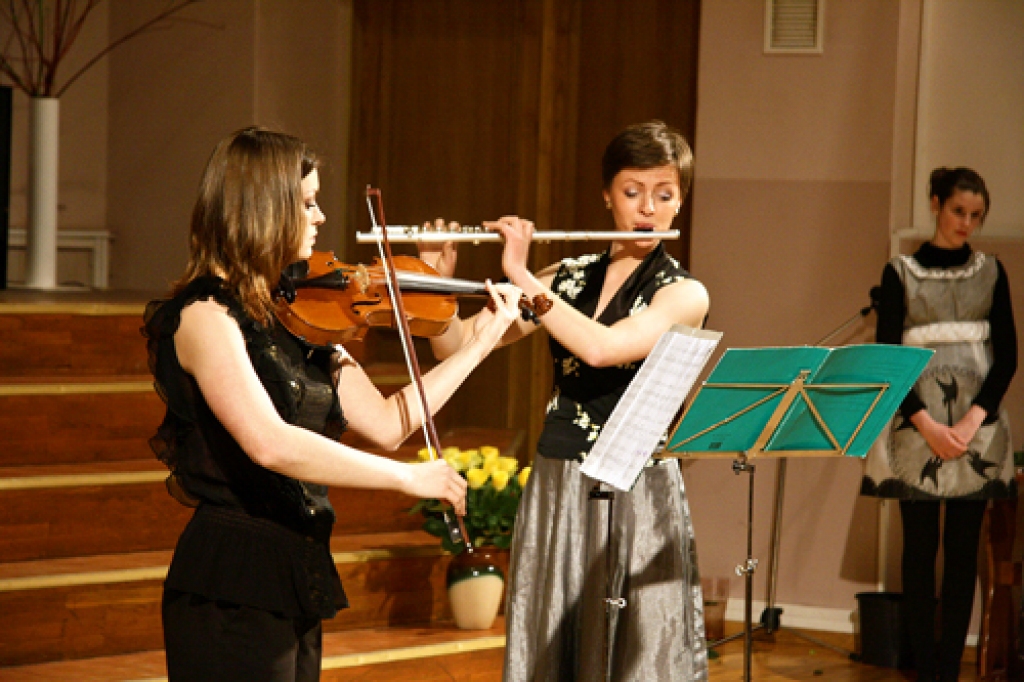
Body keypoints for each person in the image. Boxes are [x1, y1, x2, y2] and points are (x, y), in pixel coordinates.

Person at [143, 126, 522, 682]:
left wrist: (481, 342)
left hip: (293, 569)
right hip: (231, 579)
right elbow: (270, 443)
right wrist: (408, 480)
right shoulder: (206, 316)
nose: (320, 218)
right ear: (263, 208)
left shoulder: (302, 316)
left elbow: (391, 422)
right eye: (308, 202)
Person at [420, 120, 711, 681]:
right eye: (632, 192)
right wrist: (435, 287)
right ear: (607, 195)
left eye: (664, 194)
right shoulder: (567, 277)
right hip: (558, 479)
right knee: (554, 650)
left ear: (680, 201)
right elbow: (456, 346)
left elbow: (603, 349)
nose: (648, 208)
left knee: (635, 659)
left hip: (637, 490)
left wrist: (521, 275)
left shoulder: (684, 292)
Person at [862, 167, 1017, 682]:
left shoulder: (992, 272)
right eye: (958, 211)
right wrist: (925, 424)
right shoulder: (900, 271)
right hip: (918, 427)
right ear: (936, 204)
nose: (966, 223)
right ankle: (923, 669)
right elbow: (887, 356)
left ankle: (948, 668)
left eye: (976, 215)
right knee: (920, 547)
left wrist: (973, 421)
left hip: (977, 431)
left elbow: (1008, 357)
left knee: (960, 553)